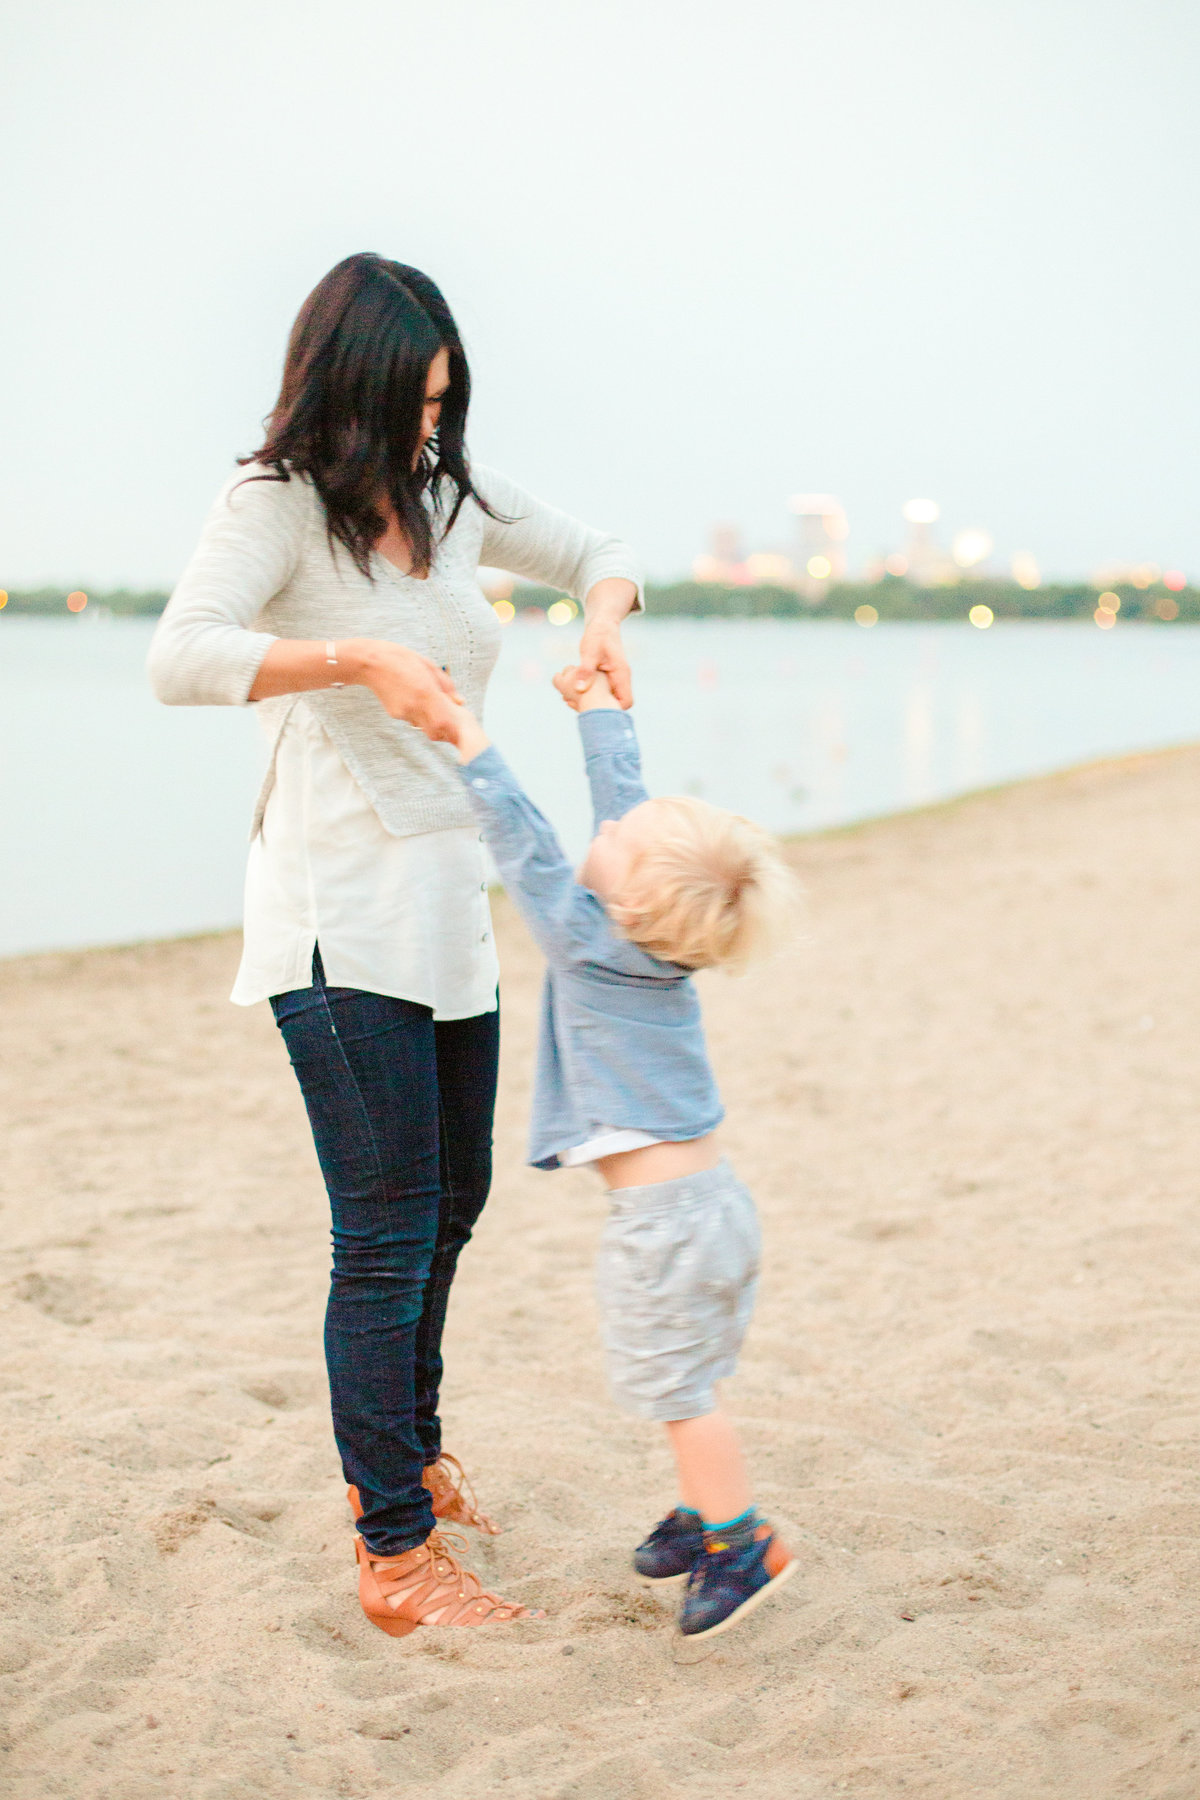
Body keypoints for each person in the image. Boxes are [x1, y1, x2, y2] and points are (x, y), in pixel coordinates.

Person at [147, 252, 643, 1637]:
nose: (431, 429)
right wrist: (351, 657)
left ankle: (412, 1458)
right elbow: (180, 656)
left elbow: (607, 554)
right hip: (334, 912)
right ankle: (393, 1552)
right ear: (342, 389)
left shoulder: (452, 499)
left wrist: (603, 624)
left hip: (450, 911)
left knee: (454, 1209)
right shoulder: (277, 507)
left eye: (446, 402)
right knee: (381, 1238)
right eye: (410, 404)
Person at [425, 664, 799, 1641]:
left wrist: (467, 736)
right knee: (688, 1376)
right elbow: (625, 807)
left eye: (620, 848)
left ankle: (740, 1538)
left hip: (668, 1226)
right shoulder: (648, 938)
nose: (608, 830)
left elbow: (528, 846)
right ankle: (700, 1505)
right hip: (713, 1207)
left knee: (677, 1392)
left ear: (628, 904)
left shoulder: (589, 940)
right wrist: (601, 712)